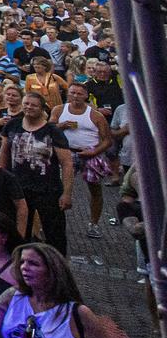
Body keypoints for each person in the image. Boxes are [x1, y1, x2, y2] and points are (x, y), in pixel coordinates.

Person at [0, 242, 140, 338]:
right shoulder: (12, 296)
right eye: (22, 262)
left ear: (52, 270)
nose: (24, 267)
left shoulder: (79, 314)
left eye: (33, 263)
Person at [2, 91, 74, 255]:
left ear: (42, 109)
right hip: (19, 189)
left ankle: (57, 268)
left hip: (48, 190)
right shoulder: (12, 125)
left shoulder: (53, 131)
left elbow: (67, 163)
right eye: (26, 103)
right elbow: (4, 155)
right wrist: (2, 181)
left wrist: (67, 193)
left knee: (54, 235)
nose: (28, 107)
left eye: (33, 105)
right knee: (19, 232)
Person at [55, 81, 115, 230]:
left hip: (90, 154)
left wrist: (94, 151)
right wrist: (61, 126)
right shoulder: (59, 110)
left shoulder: (95, 115)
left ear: (86, 96)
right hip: (66, 153)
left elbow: (108, 140)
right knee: (58, 187)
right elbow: (49, 129)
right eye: (72, 92)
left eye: (79, 93)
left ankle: (94, 223)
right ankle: (55, 220)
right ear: (67, 93)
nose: (75, 96)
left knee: (95, 189)